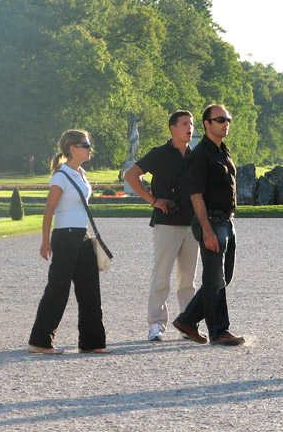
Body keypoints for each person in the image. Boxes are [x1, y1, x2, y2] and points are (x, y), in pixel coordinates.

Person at [28, 130, 111, 355]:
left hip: (82, 236)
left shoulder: (80, 173)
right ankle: (40, 341)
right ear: (72, 148)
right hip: (65, 237)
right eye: (85, 144)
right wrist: (45, 242)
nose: (90, 148)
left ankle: (92, 342)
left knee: (90, 290)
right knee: (58, 289)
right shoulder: (61, 176)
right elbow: (49, 211)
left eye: (89, 144)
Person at [124, 111, 200, 342]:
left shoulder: (196, 157)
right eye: (185, 124)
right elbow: (131, 175)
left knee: (188, 280)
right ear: (173, 128)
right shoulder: (159, 154)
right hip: (166, 222)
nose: (190, 128)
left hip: (191, 223)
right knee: (161, 277)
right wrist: (153, 200)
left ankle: (188, 323)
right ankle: (156, 323)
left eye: (192, 124)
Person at [173, 104, 244, 346]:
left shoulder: (223, 150)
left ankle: (187, 320)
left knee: (223, 278)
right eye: (220, 119)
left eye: (228, 120)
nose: (226, 123)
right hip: (211, 221)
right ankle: (219, 331)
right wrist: (206, 230)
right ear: (207, 124)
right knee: (215, 279)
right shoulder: (200, 154)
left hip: (226, 220)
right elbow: (196, 195)